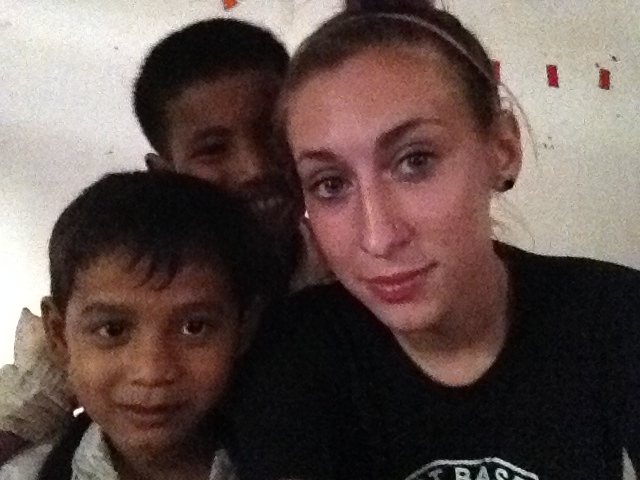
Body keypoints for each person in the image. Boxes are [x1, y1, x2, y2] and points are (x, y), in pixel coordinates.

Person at [222, 1, 639, 479]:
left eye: (415, 161)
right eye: (330, 184)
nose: (379, 237)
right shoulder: (290, 361)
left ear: (503, 148)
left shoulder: (615, 318)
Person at [0, 18, 329, 463]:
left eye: (273, 135)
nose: (255, 168)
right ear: (165, 172)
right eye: (212, 149)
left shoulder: (355, 273)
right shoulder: (107, 308)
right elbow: (22, 415)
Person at [0, 171, 287, 479]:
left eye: (194, 327)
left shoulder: (299, 463)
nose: (151, 372)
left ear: (243, 329)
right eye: (113, 330)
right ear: (59, 335)